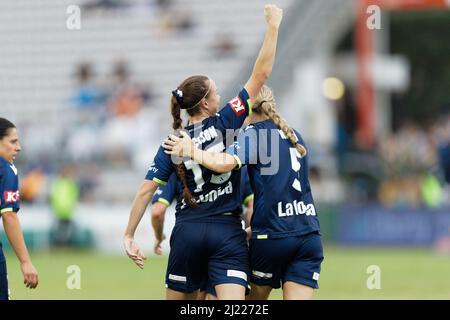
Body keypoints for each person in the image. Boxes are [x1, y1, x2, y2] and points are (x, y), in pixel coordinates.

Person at [123, 4, 283, 300]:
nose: (221, 97)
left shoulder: (172, 142)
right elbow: (261, 74)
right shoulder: (227, 122)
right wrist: (272, 27)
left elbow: (146, 192)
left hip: (187, 232)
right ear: (207, 103)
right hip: (227, 231)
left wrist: (130, 235)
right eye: (217, 93)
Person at [164, 85, 323, 300]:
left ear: (247, 110)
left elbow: (223, 164)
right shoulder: (295, 135)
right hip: (308, 235)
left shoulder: (253, 134)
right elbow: (281, 188)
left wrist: (192, 150)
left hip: (272, 237)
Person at [151, 169, 254, 300]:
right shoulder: (235, 160)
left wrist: (159, 237)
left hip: (188, 236)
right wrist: (250, 232)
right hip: (227, 237)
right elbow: (253, 204)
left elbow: (157, 211)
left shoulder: (176, 165)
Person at [0, 118, 39, 300]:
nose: (19, 147)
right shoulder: (6, 169)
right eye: (13, 141)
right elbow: (9, 216)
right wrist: (25, 262)